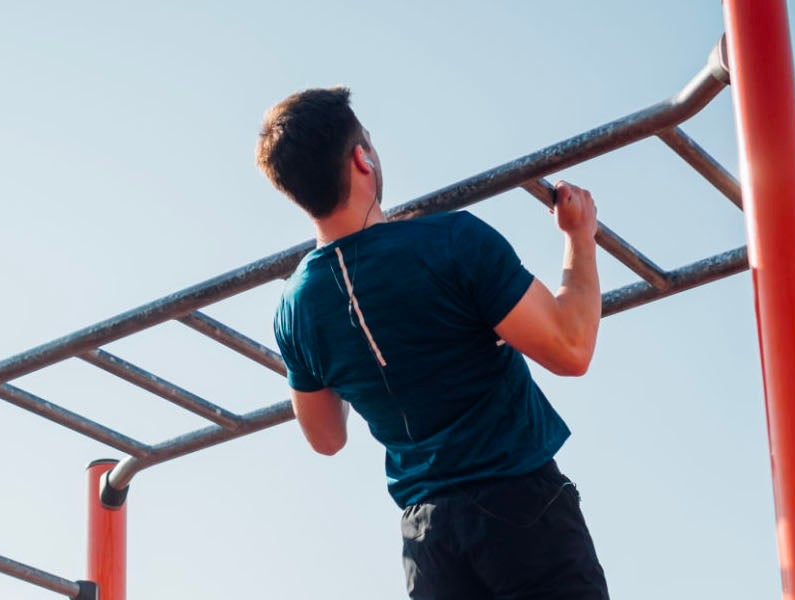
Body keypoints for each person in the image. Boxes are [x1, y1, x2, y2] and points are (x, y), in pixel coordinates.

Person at [256, 87, 608, 599]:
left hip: (428, 544)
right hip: (522, 512)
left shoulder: (294, 309)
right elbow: (571, 348)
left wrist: (353, 347)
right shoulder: (450, 242)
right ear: (362, 159)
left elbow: (327, 437)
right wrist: (580, 239)